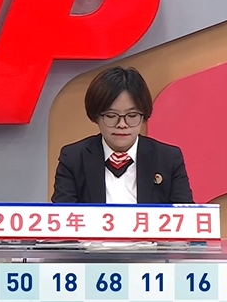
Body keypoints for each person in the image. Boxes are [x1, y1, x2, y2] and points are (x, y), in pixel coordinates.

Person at [52, 66, 193, 204]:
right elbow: (61, 214)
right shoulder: (74, 158)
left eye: (132, 115)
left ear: (144, 116)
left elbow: (186, 215)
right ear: (96, 116)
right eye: (111, 116)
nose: (122, 124)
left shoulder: (168, 159)